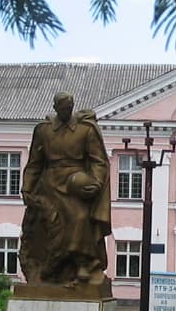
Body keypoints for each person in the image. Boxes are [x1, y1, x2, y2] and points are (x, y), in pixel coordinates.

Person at [19, 92, 112, 288]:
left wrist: (95, 182)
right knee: (50, 226)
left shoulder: (85, 130)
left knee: (79, 217)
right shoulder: (43, 131)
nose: (66, 111)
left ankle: (83, 263)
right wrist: (27, 188)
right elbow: (35, 163)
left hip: (75, 183)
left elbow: (98, 161)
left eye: (69, 107)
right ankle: (51, 269)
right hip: (49, 184)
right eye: (62, 108)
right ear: (55, 108)